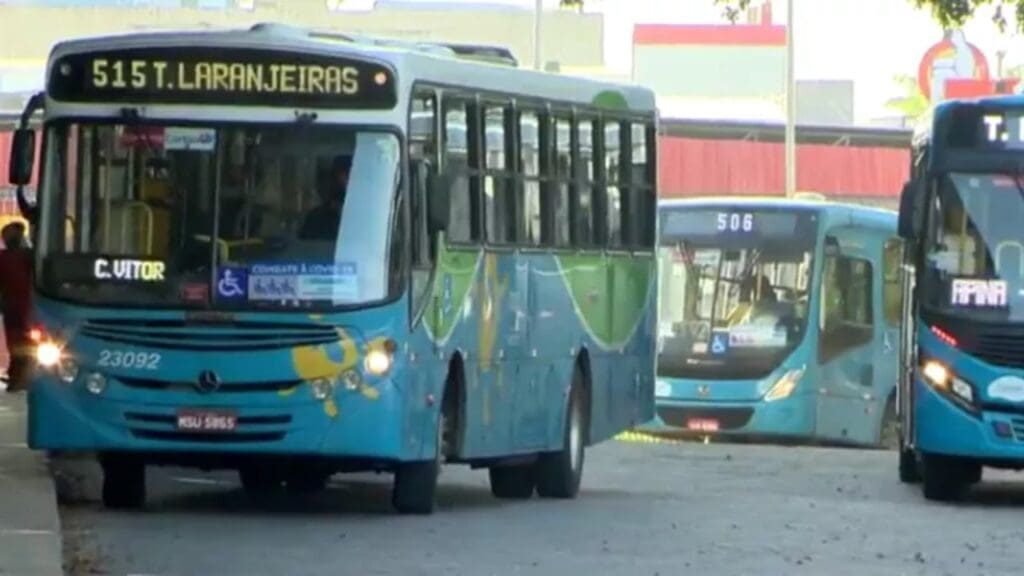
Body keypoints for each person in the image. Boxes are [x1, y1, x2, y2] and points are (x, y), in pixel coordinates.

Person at [0, 222, 33, 392]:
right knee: (24, 343)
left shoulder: (4, 258)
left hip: (13, 308)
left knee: (17, 343)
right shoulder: (28, 256)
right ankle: (19, 377)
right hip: (26, 308)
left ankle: (17, 377)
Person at [299, 155, 350, 241]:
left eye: (348, 176)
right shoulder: (315, 218)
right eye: (339, 176)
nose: (343, 181)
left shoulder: (371, 217)